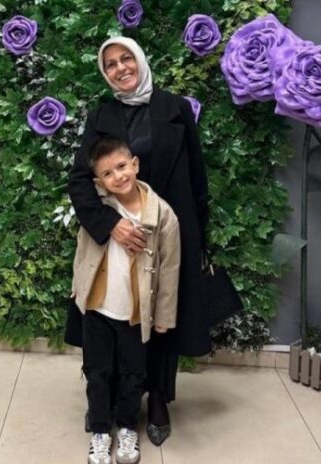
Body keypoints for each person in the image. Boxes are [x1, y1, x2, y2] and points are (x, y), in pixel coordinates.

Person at [67, 36, 210, 446]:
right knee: (115, 319)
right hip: (118, 239)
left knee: (162, 316)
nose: (120, 68)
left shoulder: (175, 108)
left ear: (141, 60)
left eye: (126, 58)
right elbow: (80, 179)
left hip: (168, 232)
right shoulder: (102, 115)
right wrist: (110, 223)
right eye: (110, 64)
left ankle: (159, 397)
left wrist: (199, 235)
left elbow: (196, 176)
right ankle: (107, 399)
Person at [72, 136, 180, 464]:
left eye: (122, 167)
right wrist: (79, 286)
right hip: (97, 308)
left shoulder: (162, 215)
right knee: (97, 372)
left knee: (133, 374)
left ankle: (128, 426)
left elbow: (169, 268)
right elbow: (82, 250)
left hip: (135, 314)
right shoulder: (98, 207)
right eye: (107, 173)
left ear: (135, 164)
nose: (118, 176)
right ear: (98, 181)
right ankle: (100, 431)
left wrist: (164, 316)